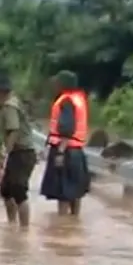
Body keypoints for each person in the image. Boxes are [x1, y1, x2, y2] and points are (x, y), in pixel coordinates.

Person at [0, 71, 38, 228]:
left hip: (23, 153)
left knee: (18, 191)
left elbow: (13, 131)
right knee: (6, 190)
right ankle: (12, 225)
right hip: (19, 152)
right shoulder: (5, 105)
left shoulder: (10, 106)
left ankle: (24, 228)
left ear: (0, 92)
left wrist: (3, 155)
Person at [40, 70, 90, 216]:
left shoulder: (66, 101)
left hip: (65, 149)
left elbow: (66, 128)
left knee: (63, 191)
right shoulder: (78, 98)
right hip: (77, 150)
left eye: (57, 82)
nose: (54, 85)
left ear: (63, 84)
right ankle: (74, 221)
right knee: (75, 190)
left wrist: (60, 152)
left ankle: (61, 225)